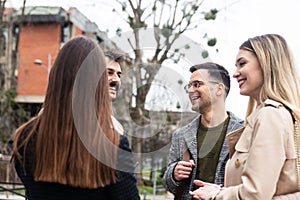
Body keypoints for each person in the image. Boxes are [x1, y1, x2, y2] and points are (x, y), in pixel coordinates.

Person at [12, 36, 140, 200]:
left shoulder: (25, 138)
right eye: (107, 73)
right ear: (97, 82)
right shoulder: (112, 143)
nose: (115, 80)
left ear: (56, 76)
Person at [190, 34, 300, 200]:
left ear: (266, 62)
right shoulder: (272, 116)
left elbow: (255, 194)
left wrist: (217, 195)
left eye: (242, 64)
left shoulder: (270, 115)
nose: (235, 74)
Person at [163, 62, 244, 199]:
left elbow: (252, 184)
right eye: (189, 86)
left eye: (197, 84)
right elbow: (168, 184)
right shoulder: (181, 135)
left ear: (219, 89)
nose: (190, 90)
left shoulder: (244, 132)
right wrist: (174, 174)